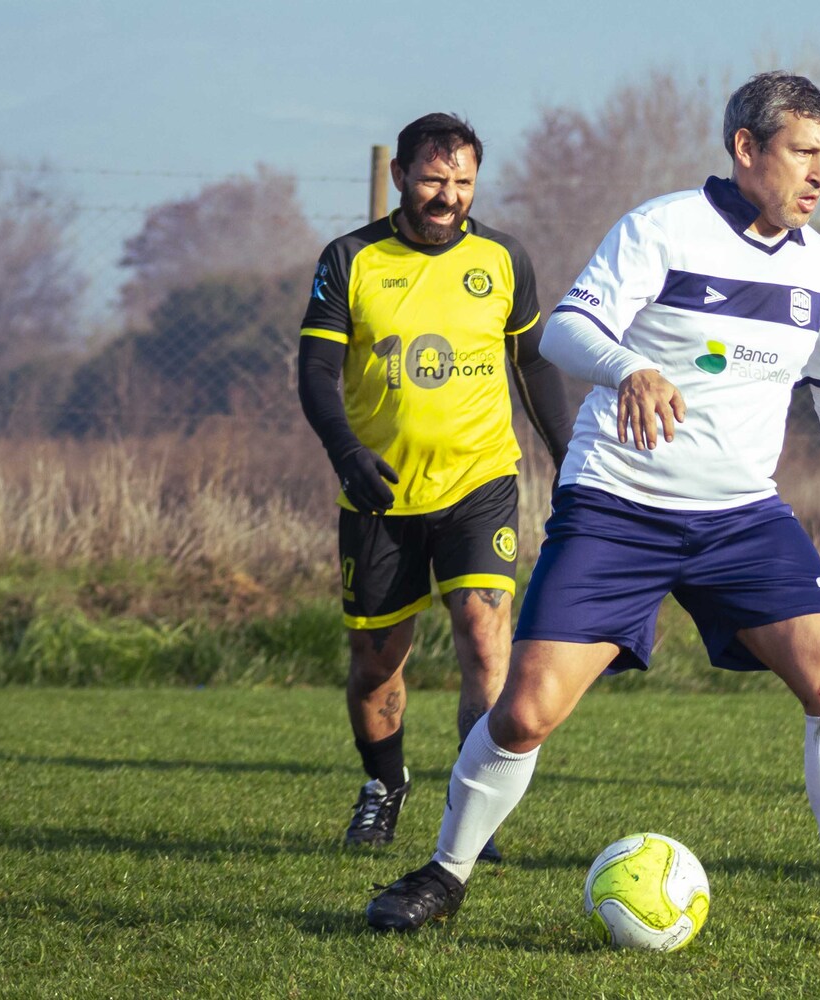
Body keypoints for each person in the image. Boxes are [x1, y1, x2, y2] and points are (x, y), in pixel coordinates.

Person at [362, 72, 820, 949]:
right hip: (618, 507)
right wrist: (628, 367)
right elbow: (565, 330)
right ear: (746, 148)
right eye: (803, 152)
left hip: (742, 519)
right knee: (524, 712)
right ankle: (445, 873)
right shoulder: (663, 229)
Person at [297, 113, 573, 853]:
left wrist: (569, 455)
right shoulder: (350, 258)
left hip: (481, 480)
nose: (448, 196)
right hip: (379, 493)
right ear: (399, 176)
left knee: (485, 637)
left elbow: (533, 364)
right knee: (375, 663)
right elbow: (317, 370)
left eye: (463, 182)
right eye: (431, 180)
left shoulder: (502, 259)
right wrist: (347, 453)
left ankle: (475, 808)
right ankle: (383, 785)